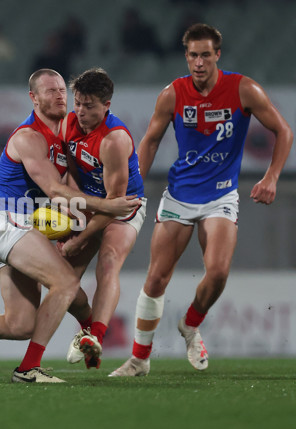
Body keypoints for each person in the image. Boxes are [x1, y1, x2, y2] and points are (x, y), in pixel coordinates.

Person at [0, 69, 140, 383]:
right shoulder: (29, 136)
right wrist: (108, 206)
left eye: (62, 89)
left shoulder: (63, 133)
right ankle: (29, 368)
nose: (59, 96)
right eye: (50, 91)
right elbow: (56, 190)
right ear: (33, 98)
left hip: (14, 225)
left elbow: (67, 186)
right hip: (7, 221)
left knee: (21, 324)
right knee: (65, 284)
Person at [110, 24, 293, 377]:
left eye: (205, 55)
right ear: (186, 56)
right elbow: (148, 142)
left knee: (219, 272)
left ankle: (190, 325)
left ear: (217, 55)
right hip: (179, 194)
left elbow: (283, 131)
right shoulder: (172, 94)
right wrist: (134, 188)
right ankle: (139, 359)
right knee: (156, 279)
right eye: (193, 55)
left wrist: (271, 176)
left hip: (221, 195)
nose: (198, 62)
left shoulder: (243, 89)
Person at [57, 68, 147, 370]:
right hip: (90, 203)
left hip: (123, 207)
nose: (80, 111)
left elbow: (113, 205)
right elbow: (70, 171)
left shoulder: (114, 140)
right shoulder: (67, 123)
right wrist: (76, 206)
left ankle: (96, 335)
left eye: (89, 105)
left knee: (108, 262)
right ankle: (87, 329)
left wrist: (79, 239)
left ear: (106, 105)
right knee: (58, 278)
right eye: (78, 103)